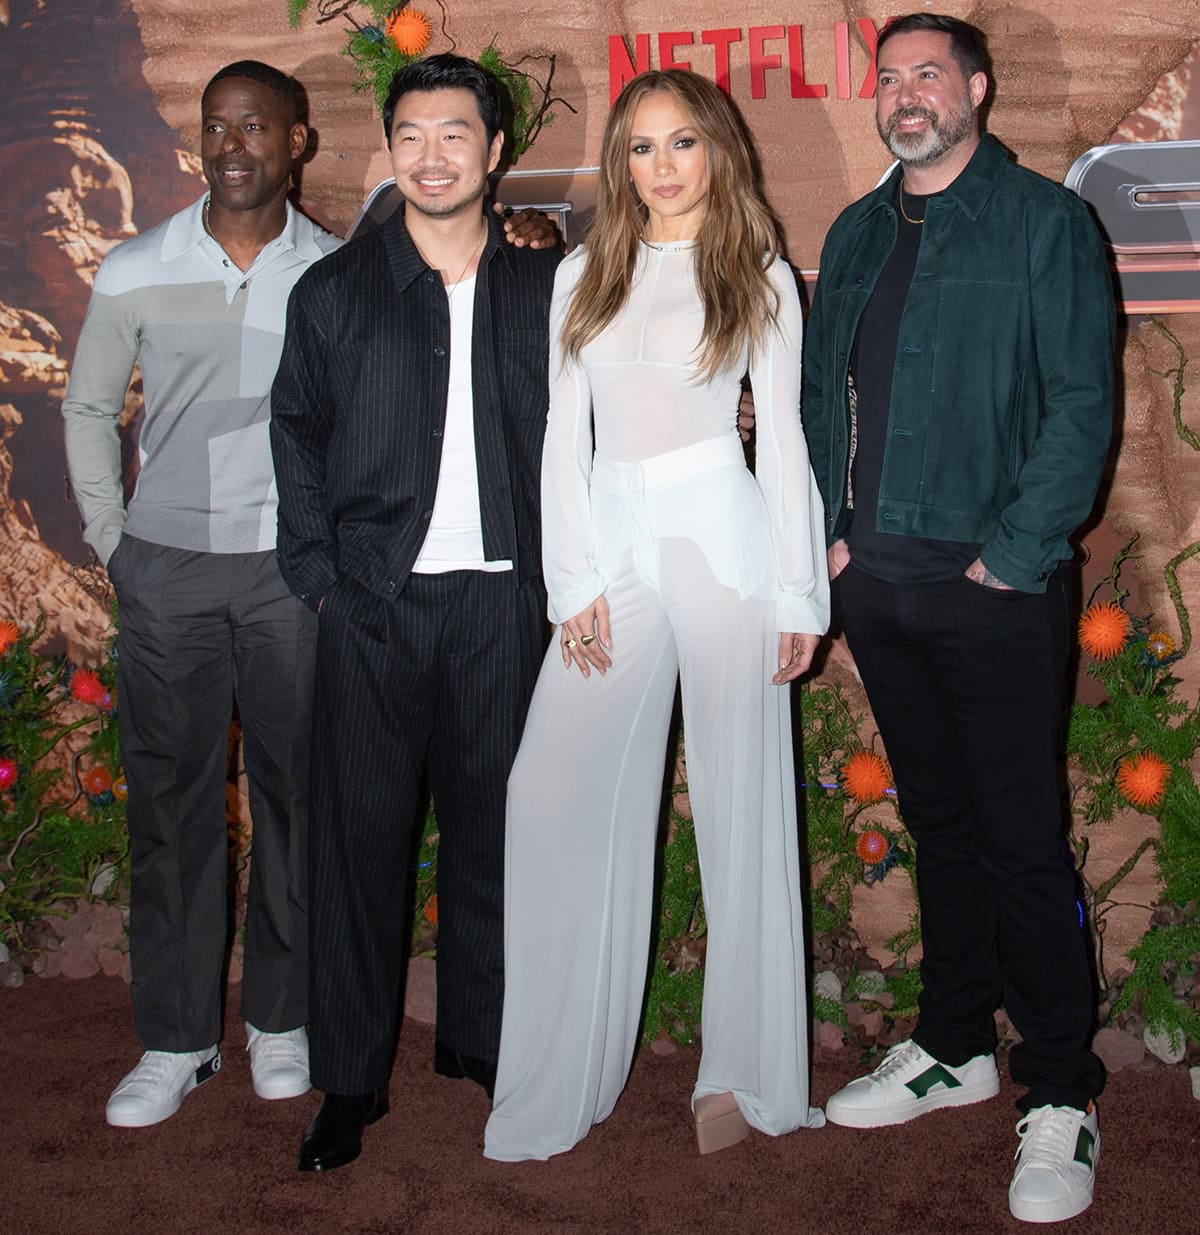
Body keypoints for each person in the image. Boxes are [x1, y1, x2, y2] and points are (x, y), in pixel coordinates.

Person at [63, 59, 553, 1132]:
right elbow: (96, 411)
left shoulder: (345, 265)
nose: (233, 143)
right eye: (216, 125)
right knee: (186, 814)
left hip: (330, 587)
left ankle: (290, 1023)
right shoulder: (151, 266)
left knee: (321, 818)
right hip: (206, 575)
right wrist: (119, 546)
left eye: (258, 125)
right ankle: (183, 1039)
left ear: (300, 143)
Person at [483, 67, 829, 1163]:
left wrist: (796, 589)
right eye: (639, 147)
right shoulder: (584, 271)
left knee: (744, 814)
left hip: (727, 553)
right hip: (614, 558)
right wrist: (569, 580)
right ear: (619, 163)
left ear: (718, 149)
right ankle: (557, 1070)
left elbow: (784, 446)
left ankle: (747, 1073)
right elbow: (559, 440)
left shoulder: (760, 276)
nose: (661, 166)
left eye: (681, 142)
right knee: (545, 787)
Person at [801, 14, 1113, 1225]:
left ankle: (1061, 1089)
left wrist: (1013, 557)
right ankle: (952, 1043)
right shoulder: (857, 226)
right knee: (939, 823)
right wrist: (827, 529)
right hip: (875, 584)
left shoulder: (1045, 222)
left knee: (1023, 838)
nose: (907, 93)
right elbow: (826, 393)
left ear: (977, 88)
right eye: (890, 78)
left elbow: (1082, 401)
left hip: (995, 589)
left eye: (930, 73)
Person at [269, 54, 561, 1173]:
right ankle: (349, 1079)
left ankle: (479, 1045)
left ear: (494, 152)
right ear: (387, 149)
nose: (431, 156)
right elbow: (293, 435)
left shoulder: (548, 287)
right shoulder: (335, 294)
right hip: (374, 612)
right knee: (357, 852)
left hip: (505, 610)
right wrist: (323, 581)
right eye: (410, 136)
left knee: (497, 844)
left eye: (454, 135)